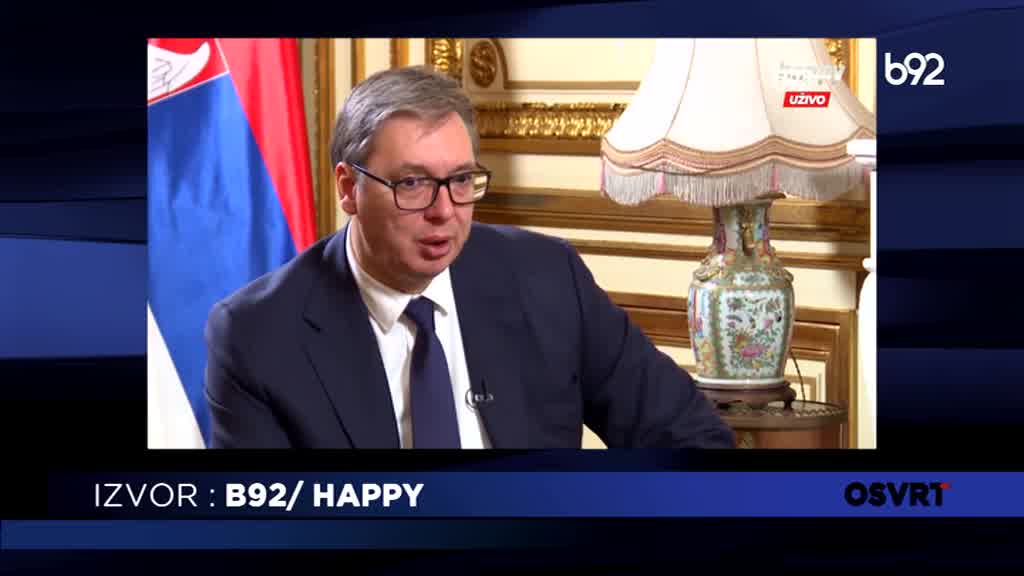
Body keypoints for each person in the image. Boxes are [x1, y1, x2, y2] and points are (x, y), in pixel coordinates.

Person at [203, 65, 735, 449]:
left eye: (461, 180)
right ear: (349, 189)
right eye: (412, 184)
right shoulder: (258, 334)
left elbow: (689, 435)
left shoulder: (548, 278)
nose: (445, 212)